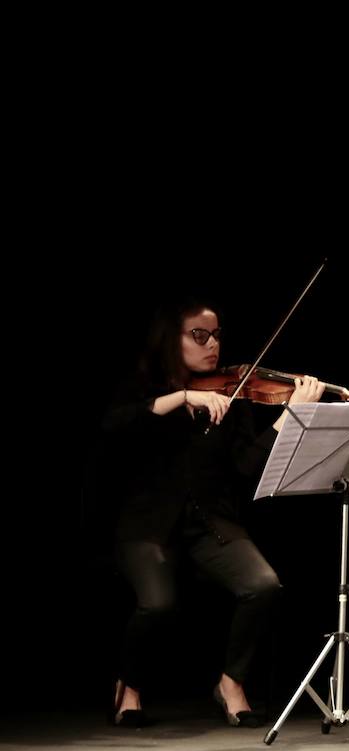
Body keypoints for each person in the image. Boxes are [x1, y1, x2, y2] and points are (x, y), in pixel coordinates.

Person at [102, 299, 323, 727]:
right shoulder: (143, 386)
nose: (212, 344)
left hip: (210, 521)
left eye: (217, 335)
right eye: (199, 335)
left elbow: (244, 468)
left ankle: (230, 682)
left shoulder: (232, 392)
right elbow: (116, 426)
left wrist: (290, 417)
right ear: (172, 338)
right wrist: (183, 396)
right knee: (157, 605)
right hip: (148, 523)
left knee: (264, 585)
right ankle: (129, 685)